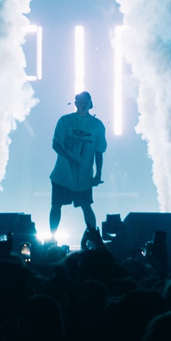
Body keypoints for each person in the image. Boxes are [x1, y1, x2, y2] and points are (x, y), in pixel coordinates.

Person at [48, 91, 106, 240]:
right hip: (63, 174)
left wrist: (98, 173)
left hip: (83, 177)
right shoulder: (65, 121)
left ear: (90, 103)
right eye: (79, 101)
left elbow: (99, 151)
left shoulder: (97, 125)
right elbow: (55, 144)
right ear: (75, 103)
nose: (82, 104)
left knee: (86, 206)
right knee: (57, 205)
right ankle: (52, 238)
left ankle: (93, 238)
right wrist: (70, 158)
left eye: (84, 101)